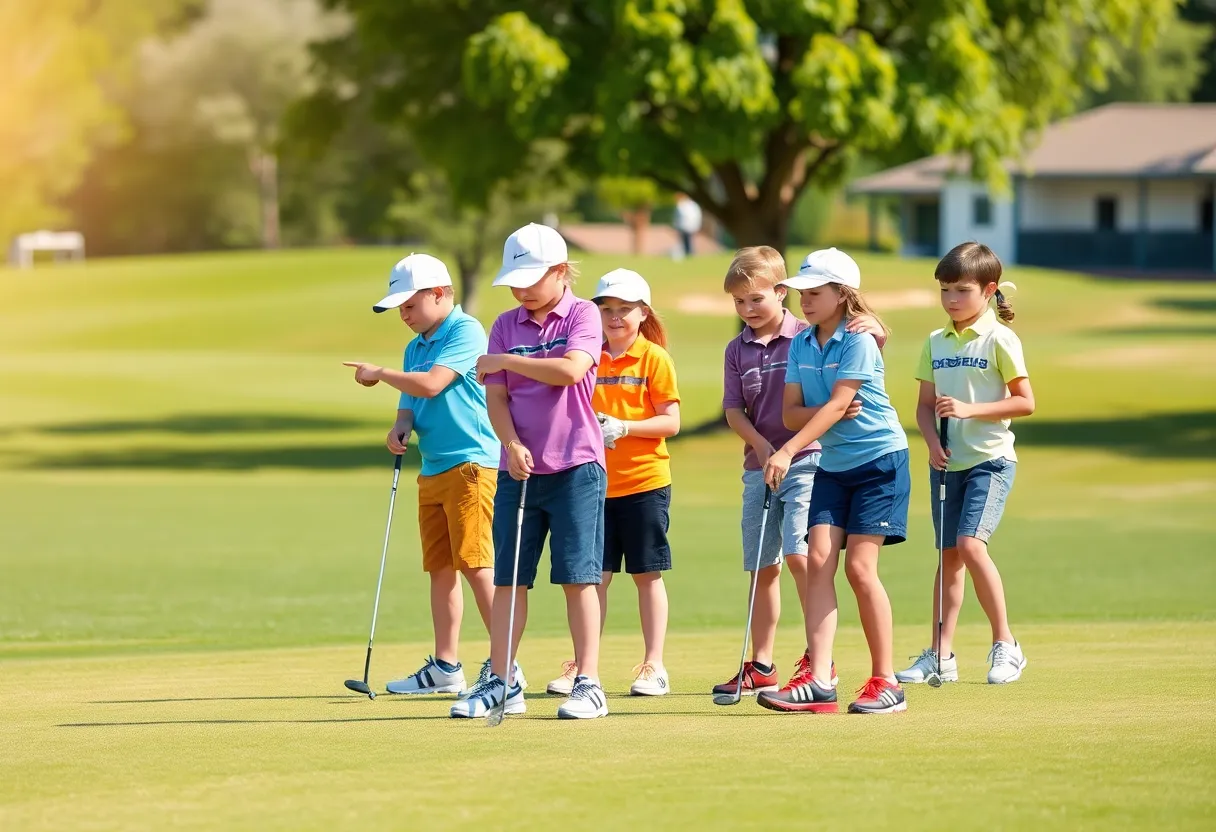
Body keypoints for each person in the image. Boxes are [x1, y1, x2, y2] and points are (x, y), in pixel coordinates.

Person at [449, 223, 610, 720]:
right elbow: (496, 398)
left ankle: (589, 682)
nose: (520, 289)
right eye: (514, 279)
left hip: (577, 464)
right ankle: (501, 680)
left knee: (577, 578)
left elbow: (570, 369)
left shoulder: (583, 314)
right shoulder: (505, 323)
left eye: (530, 278)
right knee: (509, 580)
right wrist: (512, 444)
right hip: (519, 469)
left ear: (561, 272)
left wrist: (503, 361)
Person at [712, 246, 884, 700]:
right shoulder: (736, 349)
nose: (747, 310)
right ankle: (762, 664)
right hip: (759, 465)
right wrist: (761, 445)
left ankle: (817, 656)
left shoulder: (806, 334)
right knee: (762, 566)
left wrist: (879, 327)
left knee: (799, 556)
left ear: (782, 293)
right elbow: (733, 411)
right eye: (739, 302)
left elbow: (861, 342)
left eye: (756, 299)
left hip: (810, 460)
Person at [342, 253, 517, 697]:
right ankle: (445, 666)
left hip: (472, 464)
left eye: (409, 305)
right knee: (440, 569)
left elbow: (433, 383)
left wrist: (379, 374)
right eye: (399, 308)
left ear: (439, 294)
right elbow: (411, 400)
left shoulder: (466, 330)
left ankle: (507, 669)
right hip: (434, 467)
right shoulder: (414, 345)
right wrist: (400, 425)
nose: (403, 315)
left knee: (477, 566)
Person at [756, 247, 910, 715]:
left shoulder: (860, 340)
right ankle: (820, 680)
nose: (804, 300)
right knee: (818, 561)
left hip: (879, 462)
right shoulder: (801, 344)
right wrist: (829, 412)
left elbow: (839, 404)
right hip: (833, 466)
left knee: (860, 569)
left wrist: (789, 446)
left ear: (843, 295)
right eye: (801, 292)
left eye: (815, 292)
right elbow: (791, 410)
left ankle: (887, 682)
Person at [896, 241, 1034, 686]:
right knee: (949, 557)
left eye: (961, 290)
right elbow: (923, 406)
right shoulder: (935, 341)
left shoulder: (1000, 338)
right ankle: (941, 655)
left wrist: (969, 410)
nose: (951, 299)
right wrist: (931, 442)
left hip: (989, 461)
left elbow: (1025, 402)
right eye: (945, 290)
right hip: (947, 464)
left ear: (988, 289)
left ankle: (1006, 646)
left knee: (972, 546)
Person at [546, 269, 681, 698]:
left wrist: (624, 427)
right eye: (607, 309)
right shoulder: (586, 355)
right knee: (594, 579)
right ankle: (584, 668)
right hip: (592, 484)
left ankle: (654, 665)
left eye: (625, 310)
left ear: (643, 313)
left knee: (646, 575)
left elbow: (671, 421)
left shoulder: (654, 358)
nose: (616, 317)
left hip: (644, 481)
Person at [672, 193, 702, 259]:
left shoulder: (682, 205)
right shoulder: (693, 205)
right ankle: (688, 253)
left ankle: (689, 253)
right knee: (687, 241)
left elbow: (678, 217)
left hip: (686, 225)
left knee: (687, 241)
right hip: (687, 225)